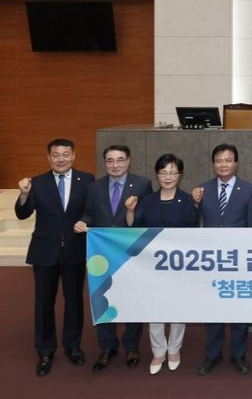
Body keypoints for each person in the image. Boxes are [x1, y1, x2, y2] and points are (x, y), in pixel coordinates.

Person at [15, 139, 95, 377]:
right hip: (44, 252)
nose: (61, 159)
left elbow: (91, 211)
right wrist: (23, 194)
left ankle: (73, 346)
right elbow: (22, 213)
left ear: (73, 156)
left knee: (74, 301)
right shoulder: (37, 183)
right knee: (43, 303)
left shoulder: (87, 180)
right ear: (49, 158)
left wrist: (85, 222)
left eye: (65, 154)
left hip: (75, 250)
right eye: (56, 155)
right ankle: (45, 351)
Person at [74, 144, 152, 372]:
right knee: (102, 298)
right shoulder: (94, 188)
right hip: (102, 255)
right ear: (105, 163)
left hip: (131, 254)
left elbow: (146, 217)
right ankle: (107, 347)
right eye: (110, 160)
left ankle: (132, 346)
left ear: (128, 161)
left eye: (120, 160)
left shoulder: (142, 184)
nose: (115, 165)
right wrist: (83, 222)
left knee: (133, 299)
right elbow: (89, 213)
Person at [124, 154, 199, 375]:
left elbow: (194, 231)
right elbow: (135, 229)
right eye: (163, 172)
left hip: (179, 264)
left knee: (177, 307)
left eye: (172, 172)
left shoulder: (187, 200)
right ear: (157, 175)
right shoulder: (147, 200)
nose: (168, 177)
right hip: (151, 265)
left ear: (180, 175)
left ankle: (174, 349)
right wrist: (130, 210)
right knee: (154, 307)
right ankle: (158, 351)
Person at [192, 143, 252, 376]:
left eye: (228, 160)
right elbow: (192, 222)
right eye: (219, 160)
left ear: (236, 163)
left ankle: (238, 354)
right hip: (211, 260)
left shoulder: (248, 189)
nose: (223, 164)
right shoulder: (203, 189)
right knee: (213, 309)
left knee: (239, 310)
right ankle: (213, 354)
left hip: (238, 260)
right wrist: (194, 203)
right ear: (214, 164)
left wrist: (250, 259)